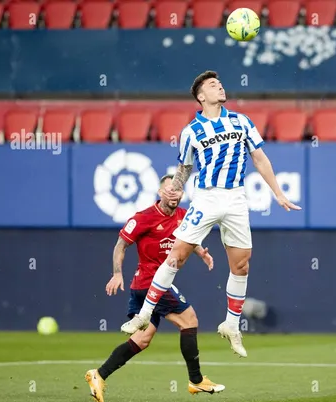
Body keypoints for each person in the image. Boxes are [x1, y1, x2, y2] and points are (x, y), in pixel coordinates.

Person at [120, 70, 302, 358]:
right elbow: (185, 168)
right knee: (177, 256)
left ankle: (231, 325)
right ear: (201, 96)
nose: (220, 87)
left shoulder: (241, 121)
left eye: (220, 83)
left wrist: (277, 193)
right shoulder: (191, 131)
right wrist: (175, 189)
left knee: (241, 265)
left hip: (236, 198)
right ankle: (144, 314)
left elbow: (259, 157)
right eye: (213, 85)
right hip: (206, 198)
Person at [85, 174, 225, 402]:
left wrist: (201, 252)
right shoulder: (144, 217)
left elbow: (188, 238)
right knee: (189, 320)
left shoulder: (184, 215)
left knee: (142, 339)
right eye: (169, 189)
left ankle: (98, 375)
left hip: (152, 285)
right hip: (150, 282)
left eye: (178, 190)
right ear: (160, 193)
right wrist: (117, 273)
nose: (174, 194)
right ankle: (196, 380)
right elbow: (121, 245)